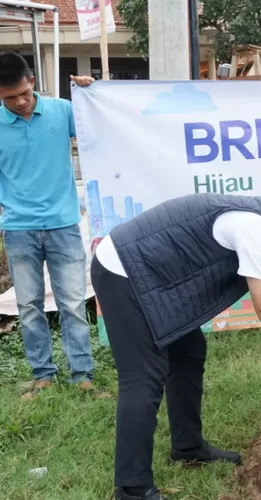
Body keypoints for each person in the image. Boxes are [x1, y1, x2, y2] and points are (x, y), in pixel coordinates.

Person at [90, 189, 261, 500]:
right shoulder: (254, 226)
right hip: (123, 271)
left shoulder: (256, 221)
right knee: (142, 377)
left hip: (152, 277)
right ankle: (132, 488)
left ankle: (187, 447)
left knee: (188, 350)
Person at [0, 51, 107, 399]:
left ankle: (82, 376)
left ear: (32, 82)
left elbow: (99, 125)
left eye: (23, 93)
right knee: (29, 306)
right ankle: (43, 375)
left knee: (73, 304)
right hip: (18, 229)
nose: (19, 102)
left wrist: (92, 91)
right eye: (9, 98)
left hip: (63, 225)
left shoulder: (61, 111)